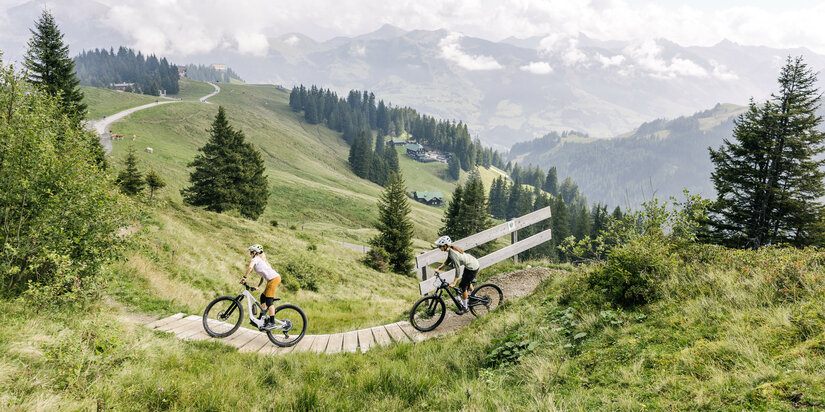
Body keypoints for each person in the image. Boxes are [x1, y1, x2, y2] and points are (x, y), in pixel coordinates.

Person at [433, 235, 480, 315]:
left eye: (439, 246)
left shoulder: (453, 253)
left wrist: (454, 282)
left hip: (472, 267)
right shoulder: (450, 250)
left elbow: (458, 269)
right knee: (466, 281)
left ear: (445, 246)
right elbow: (447, 261)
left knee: (462, 286)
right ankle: (474, 296)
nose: (439, 248)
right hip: (471, 264)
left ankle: (465, 308)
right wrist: (439, 268)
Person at [241, 244, 282, 330]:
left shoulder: (255, 259)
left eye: (251, 252)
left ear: (255, 252)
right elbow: (263, 277)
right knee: (263, 297)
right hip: (272, 280)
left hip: (274, 279)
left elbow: (249, 268)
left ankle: (272, 322)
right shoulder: (260, 260)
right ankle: (261, 318)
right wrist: (258, 286)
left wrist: (244, 278)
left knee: (269, 300)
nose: (250, 254)